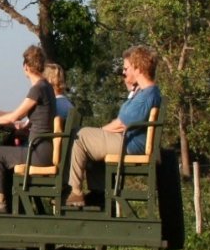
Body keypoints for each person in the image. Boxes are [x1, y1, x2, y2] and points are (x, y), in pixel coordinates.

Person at [65, 45, 161, 208]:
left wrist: (99, 132)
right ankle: (98, 192)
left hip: (130, 145)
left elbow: (121, 124)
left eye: (127, 68)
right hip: (129, 142)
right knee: (91, 142)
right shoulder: (145, 92)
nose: (124, 73)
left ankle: (75, 192)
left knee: (79, 136)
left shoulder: (145, 96)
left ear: (138, 68)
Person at [0, 45, 56, 213]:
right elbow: (19, 114)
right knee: (6, 154)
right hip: (43, 149)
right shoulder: (47, 87)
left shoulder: (37, 89)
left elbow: (15, 117)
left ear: (26, 67)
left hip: (38, 152)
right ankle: (11, 203)